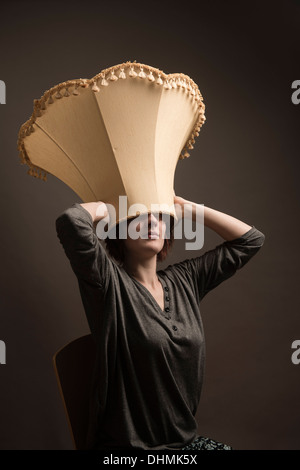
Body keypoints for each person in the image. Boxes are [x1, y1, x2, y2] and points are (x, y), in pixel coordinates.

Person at [55, 195, 265, 451]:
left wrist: (188, 209)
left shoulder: (186, 280)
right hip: (130, 451)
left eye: (160, 217)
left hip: (185, 445)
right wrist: (111, 206)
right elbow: (71, 222)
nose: (152, 222)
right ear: (120, 229)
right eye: (140, 217)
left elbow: (250, 241)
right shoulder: (109, 284)